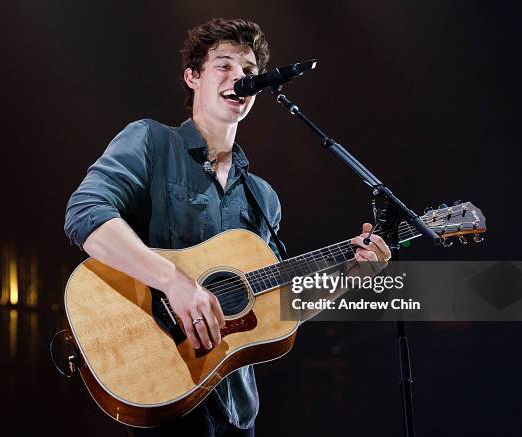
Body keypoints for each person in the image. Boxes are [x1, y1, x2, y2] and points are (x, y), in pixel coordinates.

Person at [64, 17, 390, 437]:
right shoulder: (150, 141)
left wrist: (351, 277)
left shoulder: (263, 197)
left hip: (237, 412)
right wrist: (175, 282)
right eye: (224, 65)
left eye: (250, 72)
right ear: (192, 77)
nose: (241, 77)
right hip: (164, 385)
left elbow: (280, 307)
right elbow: (85, 213)